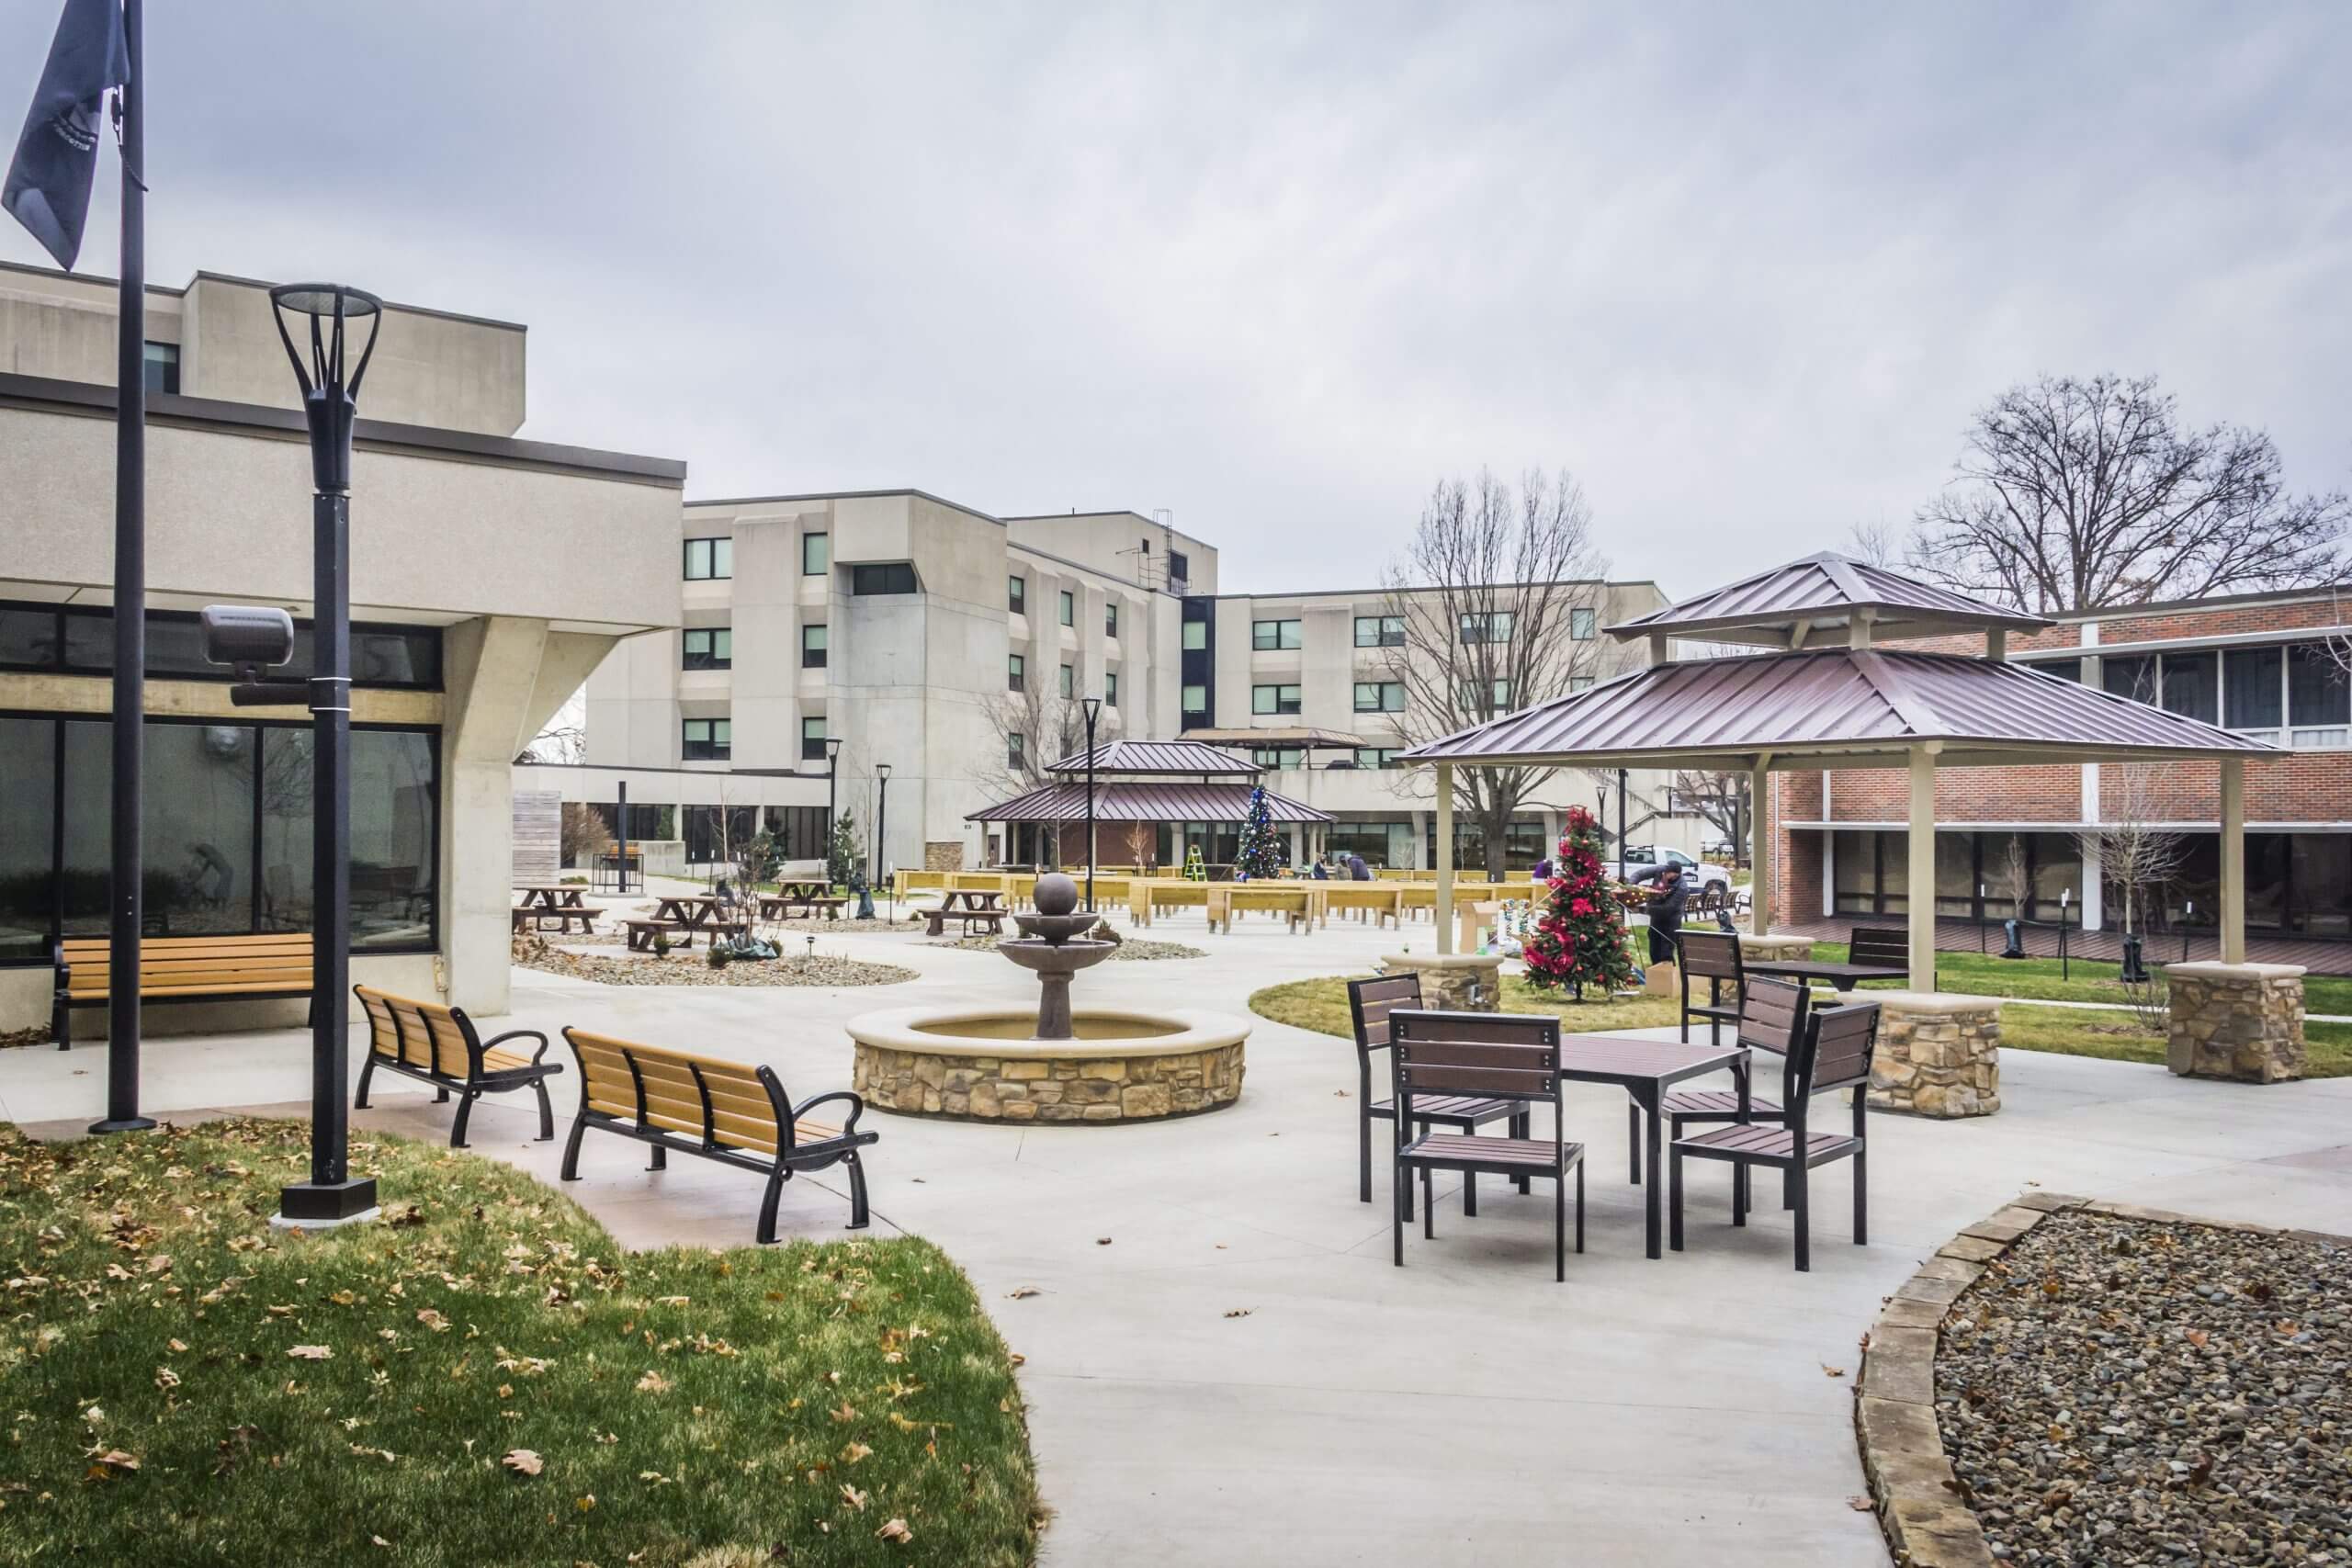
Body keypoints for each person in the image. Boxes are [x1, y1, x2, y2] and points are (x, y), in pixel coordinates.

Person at [1645, 863, 1690, 966]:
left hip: (1672, 918)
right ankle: (1655, 968)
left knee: (1667, 947)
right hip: (1657, 916)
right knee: (1654, 942)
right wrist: (1630, 884)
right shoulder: (1661, 871)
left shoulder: (1682, 887)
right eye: (1665, 871)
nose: (1664, 874)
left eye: (1667, 873)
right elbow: (1640, 874)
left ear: (1675, 874)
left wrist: (1646, 910)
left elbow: (1668, 908)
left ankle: (1667, 970)